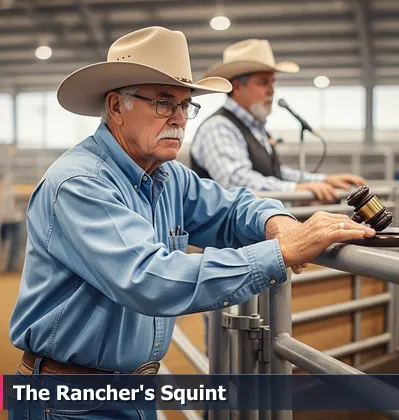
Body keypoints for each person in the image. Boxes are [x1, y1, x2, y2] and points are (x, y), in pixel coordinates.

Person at [7, 26, 374, 419]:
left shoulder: (168, 175)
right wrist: (281, 252)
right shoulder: (81, 184)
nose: (181, 119)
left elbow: (232, 206)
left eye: (186, 106)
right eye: (165, 103)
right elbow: (148, 278)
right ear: (116, 107)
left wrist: (276, 222)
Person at [189, 38, 367, 203]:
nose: (271, 90)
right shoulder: (219, 127)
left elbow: (275, 173)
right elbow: (236, 180)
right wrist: (296, 189)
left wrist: (323, 180)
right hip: (223, 236)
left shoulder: (254, 128)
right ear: (237, 87)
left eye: (272, 83)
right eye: (263, 82)